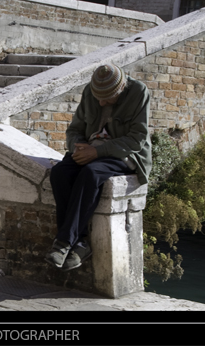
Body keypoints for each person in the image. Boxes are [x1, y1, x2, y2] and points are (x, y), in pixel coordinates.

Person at [46, 63, 152, 271]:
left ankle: (64, 242)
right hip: (91, 149)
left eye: (108, 98)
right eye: (98, 98)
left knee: (91, 174)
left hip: (124, 154)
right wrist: (79, 146)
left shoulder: (139, 92)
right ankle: (81, 243)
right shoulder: (90, 92)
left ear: (121, 89)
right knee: (60, 173)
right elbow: (74, 130)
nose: (102, 102)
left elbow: (136, 139)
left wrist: (97, 152)